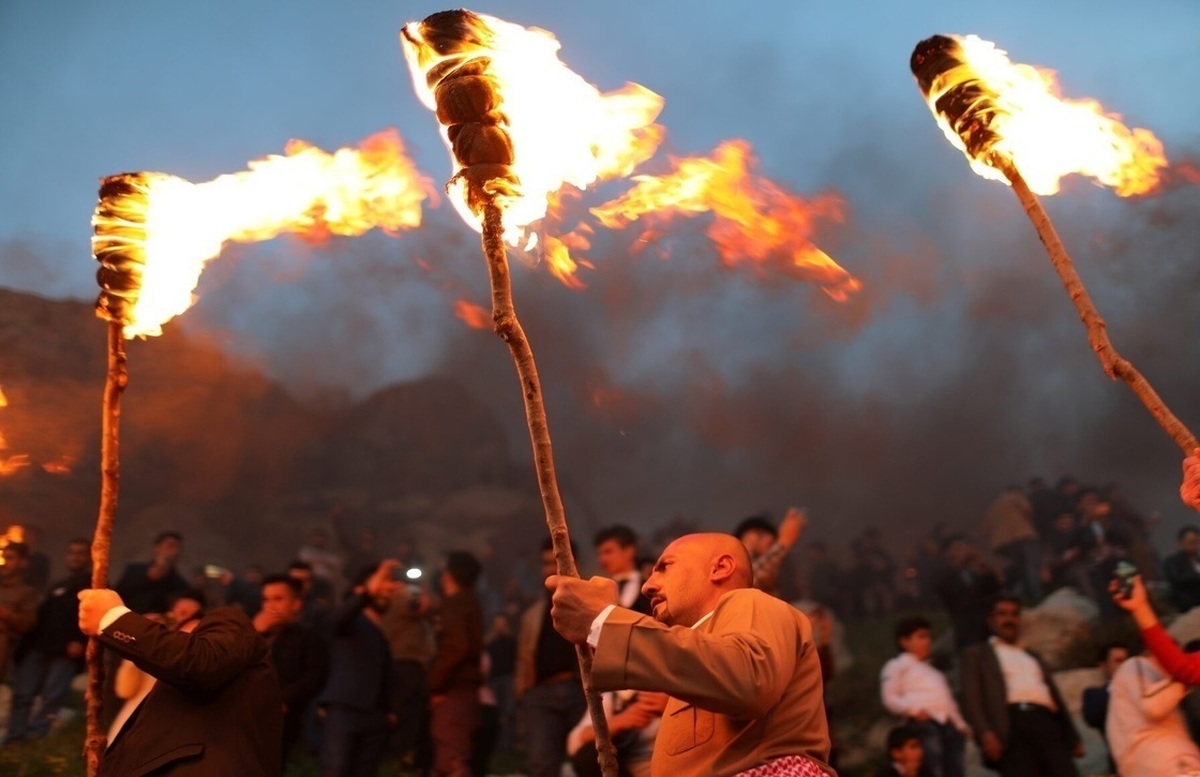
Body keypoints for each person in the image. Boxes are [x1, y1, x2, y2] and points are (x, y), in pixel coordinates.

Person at [547, 532, 833, 777]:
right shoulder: (695, 653)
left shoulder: (751, 601)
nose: (648, 585)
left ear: (720, 567)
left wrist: (604, 621)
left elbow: (748, 678)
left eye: (664, 567)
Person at [77, 585, 283, 776]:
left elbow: (198, 661)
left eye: (187, 616)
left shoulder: (230, 624)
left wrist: (114, 619)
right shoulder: (164, 670)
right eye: (176, 615)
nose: (177, 628)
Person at [959, 595, 1082, 777]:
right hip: (1011, 725)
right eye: (1003, 614)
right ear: (991, 620)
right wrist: (985, 733)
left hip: (1047, 722)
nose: (1009, 620)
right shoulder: (977, 655)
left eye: (1014, 614)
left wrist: (1072, 737)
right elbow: (971, 697)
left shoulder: (1032, 655)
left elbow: (1055, 697)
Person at [318, 560, 403, 777]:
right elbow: (336, 619)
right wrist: (366, 594)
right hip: (345, 711)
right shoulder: (349, 622)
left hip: (375, 717)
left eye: (388, 587)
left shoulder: (381, 634)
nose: (384, 591)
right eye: (379, 586)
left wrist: (389, 713)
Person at [5, 538, 90, 742]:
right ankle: (15, 738)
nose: (75, 557)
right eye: (71, 552)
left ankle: (34, 739)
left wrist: (80, 640)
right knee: (23, 694)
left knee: (51, 697)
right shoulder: (58, 585)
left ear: (89, 557)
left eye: (80, 553)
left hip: (66, 651)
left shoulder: (95, 585)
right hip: (39, 646)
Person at [516, 539, 589, 777]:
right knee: (541, 764)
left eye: (555, 562)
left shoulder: (590, 604)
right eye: (545, 563)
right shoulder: (533, 613)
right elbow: (525, 657)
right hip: (541, 692)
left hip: (582, 690)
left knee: (591, 760)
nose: (549, 568)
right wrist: (524, 692)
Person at [252, 573, 328, 762]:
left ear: (296, 604)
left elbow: (314, 676)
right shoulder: (250, 634)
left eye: (278, 599)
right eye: (266, 599)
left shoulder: (308, 638)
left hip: (284, 721)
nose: (270, 606)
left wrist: (284, 698)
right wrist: (254, 634)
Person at [879, 616, 968, 777]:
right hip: (924, 724)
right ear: (905, 641)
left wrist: (960, 724)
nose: (927, 642)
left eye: (928, 637)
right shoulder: (897, 665)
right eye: (921, 637)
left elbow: (947, 702)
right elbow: (889, 697)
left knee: (955, 767)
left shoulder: (934, 673)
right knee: (933, 767)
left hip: (947, 725)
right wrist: (912, 710)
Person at [428, 551, 484, 777]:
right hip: (466, 691)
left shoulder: (453, 604)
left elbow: (456, 646)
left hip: (453, 692)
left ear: (449, 574)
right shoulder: (472, 604)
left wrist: (434, 683)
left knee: (451, 761)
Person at [1106, 646, 1200, 777]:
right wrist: (1184, 676)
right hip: (1171, 763)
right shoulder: (1136, 665)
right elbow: (1152, 706)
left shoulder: (1123, 694)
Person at [567, 690, 668, 777]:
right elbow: (574, 745)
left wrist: (670, 708)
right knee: (588, 754)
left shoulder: (675, 696)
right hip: (626, 771)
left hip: (668, 770)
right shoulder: (615, 699)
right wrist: (620, 721)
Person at [933, 535, 1001, 653]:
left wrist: (979, 562)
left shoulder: (972, 572)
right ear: (948, 552)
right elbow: (944, 590)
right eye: (957, 548)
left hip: (987, 628)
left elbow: (994, 587)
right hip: (966, 630)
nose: (963, 551)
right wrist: (959, 560)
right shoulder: (943, 573)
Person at [733, 509, 805, 599]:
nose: (769, 540)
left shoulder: (774, 569)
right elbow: (750, 580)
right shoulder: (733, 564)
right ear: (749, 535)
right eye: (761, 534)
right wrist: (784, 543)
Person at [1082, 641, 1130, 773]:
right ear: (1104, 666)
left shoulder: (1142, 688)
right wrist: (1118, 688)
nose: (1124, 666)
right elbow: (1093, 717)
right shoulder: (1096, 695)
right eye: (1118, 661)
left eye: (1126, 661)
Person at [114, 530, 188, 614]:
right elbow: (118, 596)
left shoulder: (180, 584)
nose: (174, 551)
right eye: (170, 546)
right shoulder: (134, 571)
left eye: (178, 547)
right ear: (156, 548)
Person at [0, 541, 38, 681]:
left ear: (23, 563)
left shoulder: (27, 593)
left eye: (10, 558)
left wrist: (5, 614)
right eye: (3, 557)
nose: (4, 563)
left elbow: (27, 624)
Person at [594, 525, 653, 614]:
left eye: (608, 552)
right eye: (600, 554)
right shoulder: (598, 590)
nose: (603, 559)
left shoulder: (650, 585)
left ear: (629, 551)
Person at [1163, 526, 1200, 612]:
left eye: (1196, 542)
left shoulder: (1198, 559)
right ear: (1180, 543)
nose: (1194, 545)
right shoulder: (1172, 561)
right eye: (1191, 542)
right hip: (1189, 602)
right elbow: (1179, 579)